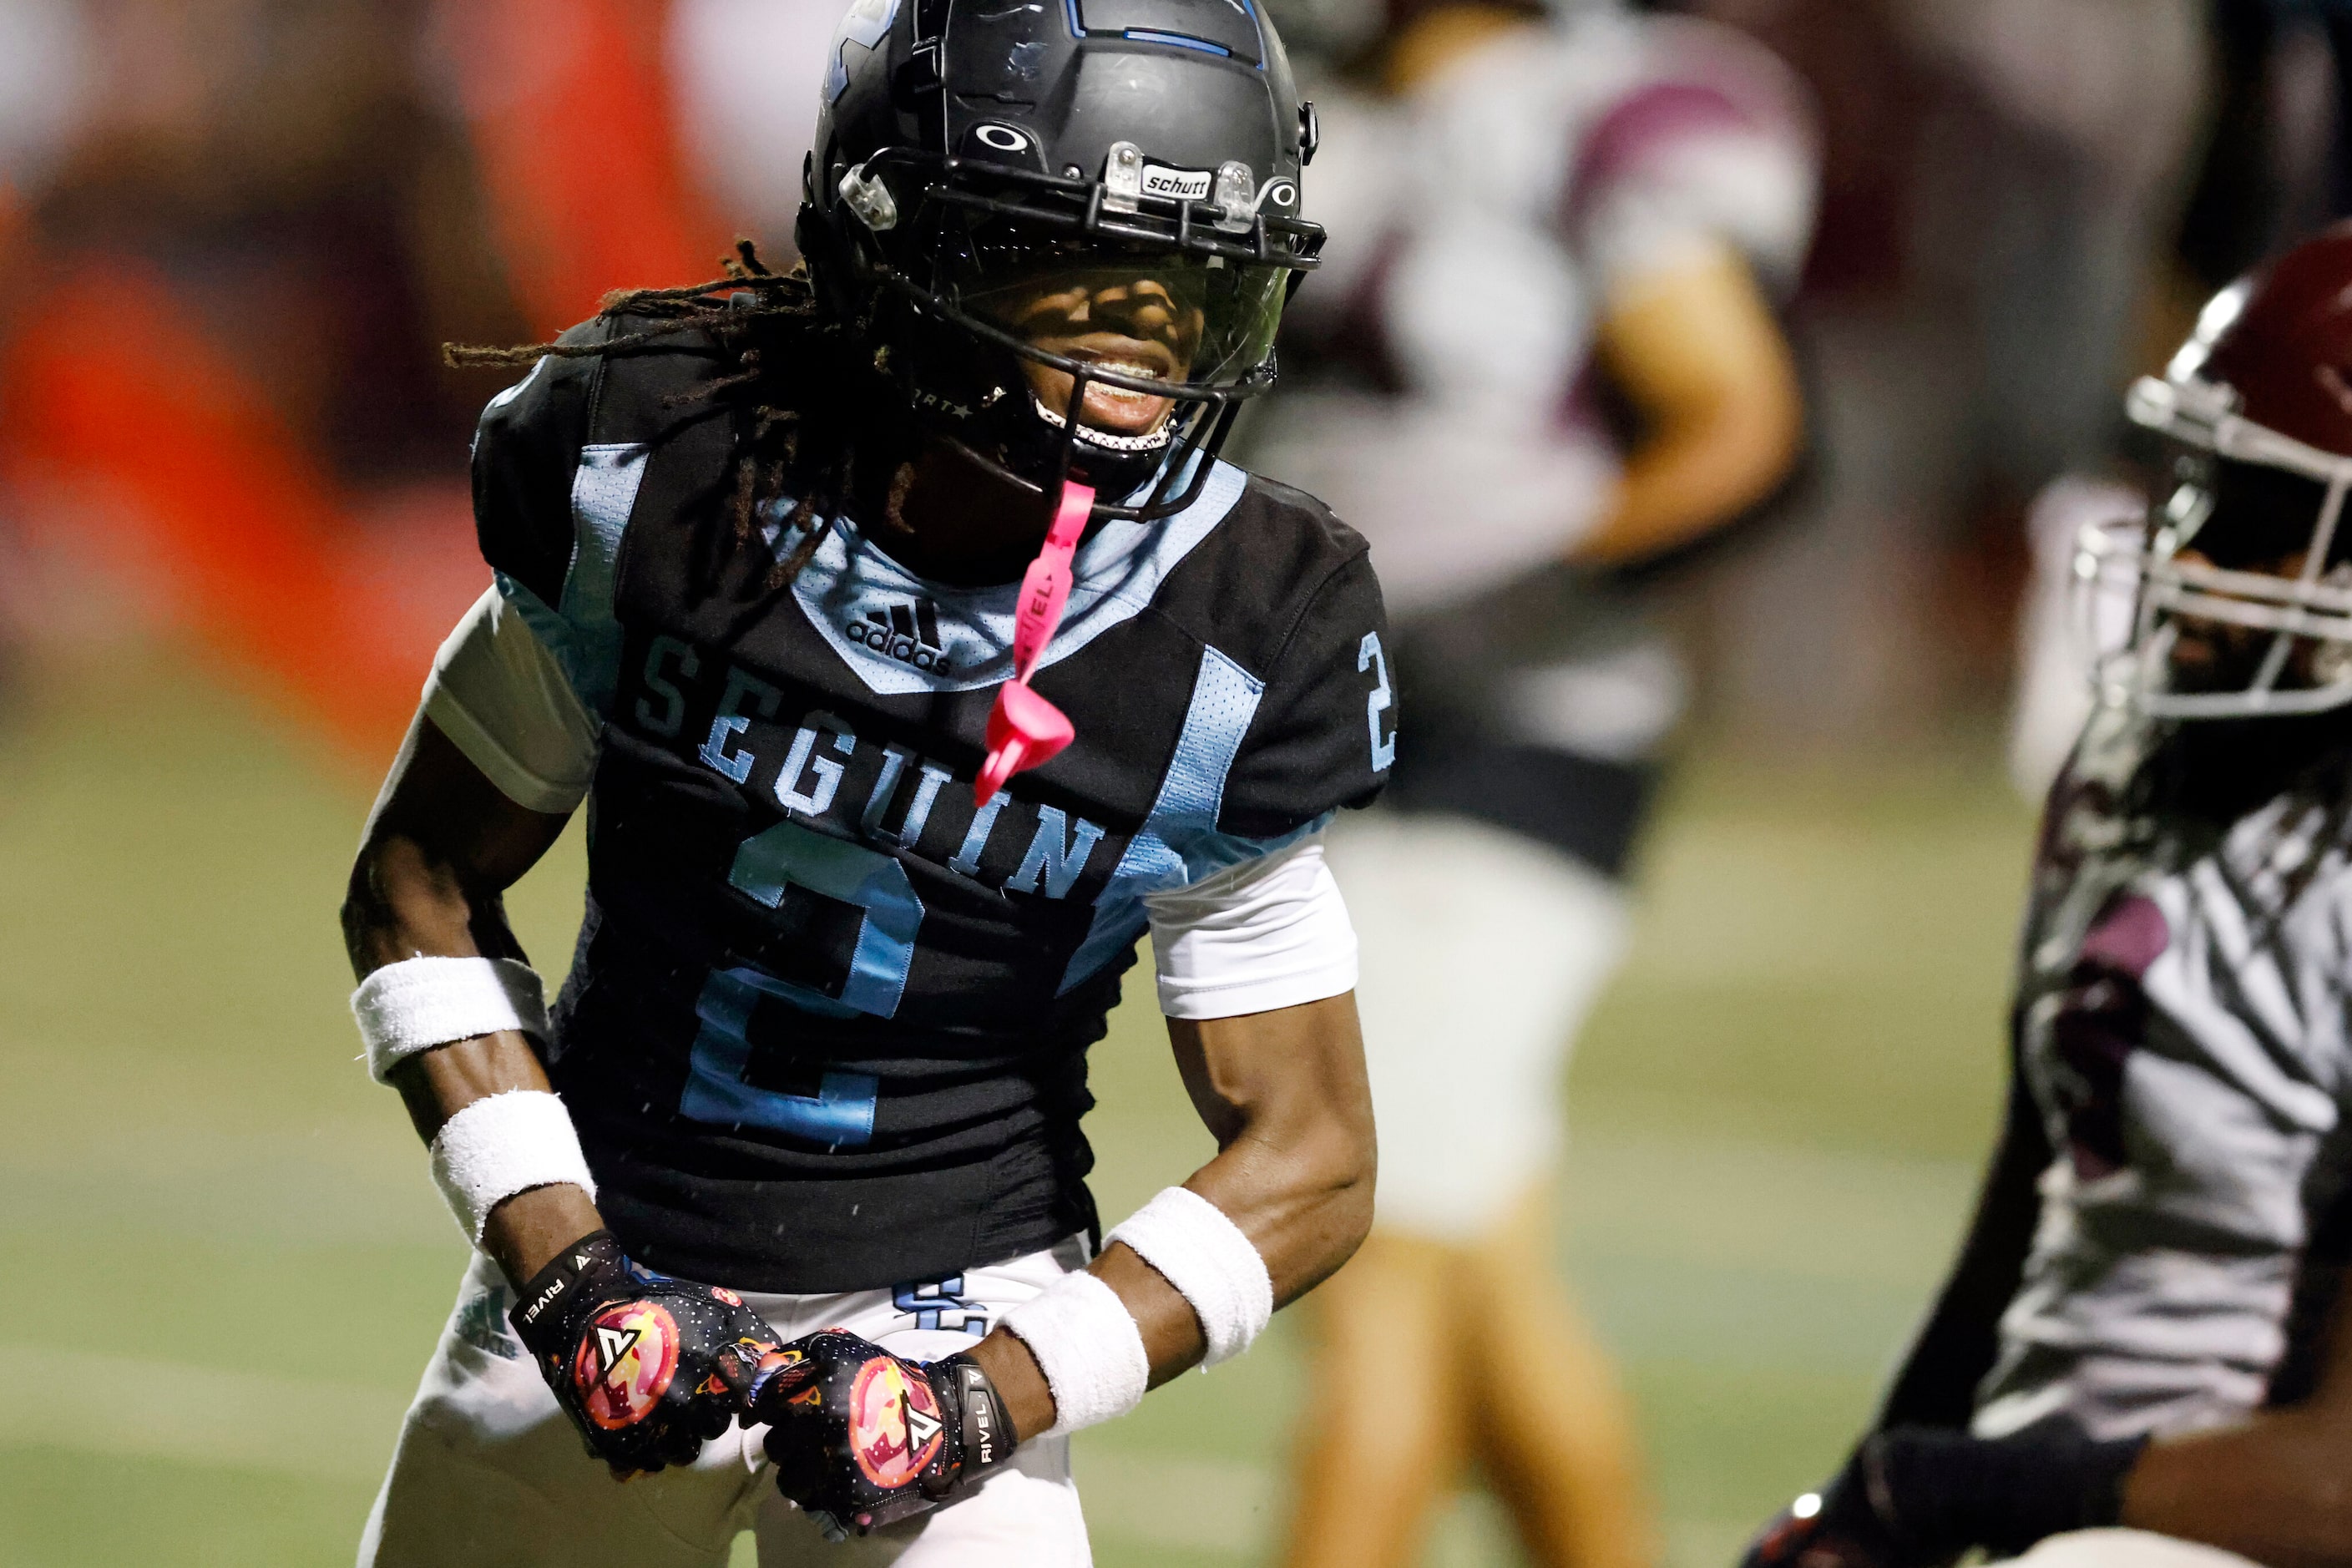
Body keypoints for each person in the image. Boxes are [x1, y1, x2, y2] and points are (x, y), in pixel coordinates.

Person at [340, 2, 1390, 1561]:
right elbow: (420, 884)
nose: (1148, 363)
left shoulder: (1240, 630)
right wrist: (563, 1269)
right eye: (1083, 282)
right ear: (913, 248)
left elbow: (1311, 1157)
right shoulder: (660, 467)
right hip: (607, 1249)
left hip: (956, 1300)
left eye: (1188, 292)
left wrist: (992, 1392)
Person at [1241, 3, 1815, 1565]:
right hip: (1344, 741)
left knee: (1373, 1295)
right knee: (1484, 1282)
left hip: (1511, 744)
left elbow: (1743, 424)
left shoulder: (1591, 107)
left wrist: (1491, 604)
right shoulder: (1325, 106)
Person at [1743, 222, 2352, 1568]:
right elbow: (2030, 1194)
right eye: (2190, 486)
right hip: (2064, 1507)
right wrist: (1866, 1509)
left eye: (2254, 518)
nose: (2183, 553)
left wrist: (1964, 1496)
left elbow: (2339, 1486)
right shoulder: (2134, 762)